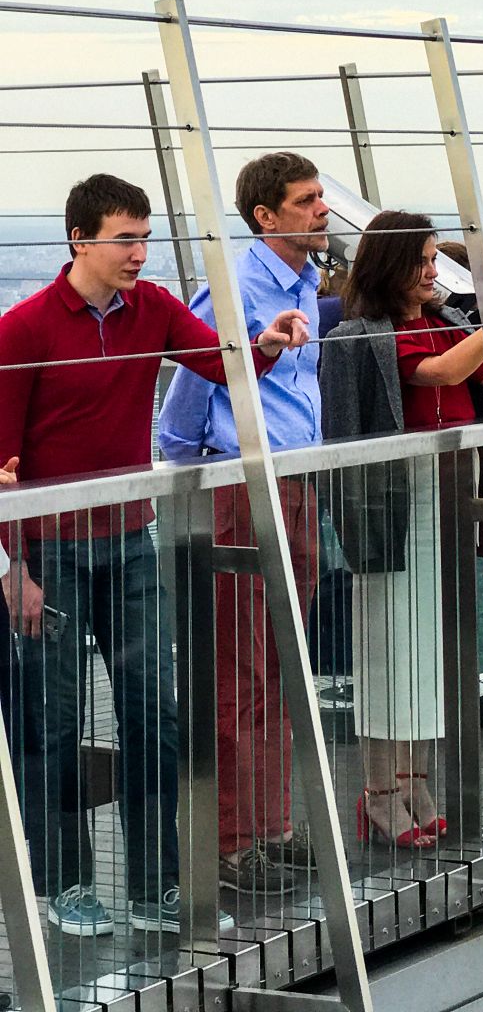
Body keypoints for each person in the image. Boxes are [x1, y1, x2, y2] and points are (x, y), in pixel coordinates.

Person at [0, 174, 306, 938]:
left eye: (145, 238)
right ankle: (63, 884)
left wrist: (264, 345)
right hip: (50, 552)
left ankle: (154, 886)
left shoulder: (156, 309)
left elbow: (222, 368)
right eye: (125, 239)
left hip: (130, 541)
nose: (140, 252)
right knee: (53, 723)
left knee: (155, 715)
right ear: (80, 239)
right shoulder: (24, 330)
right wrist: (15, 573)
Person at [320, 213, 483, 848]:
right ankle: (381, 789)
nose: (430, 270)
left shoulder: (439, 323)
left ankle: (412, 780)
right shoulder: (370, 334)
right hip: (400, 496)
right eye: (420, 259)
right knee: (393, 642)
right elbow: (443, 373)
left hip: (448, 485)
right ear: (390, 264)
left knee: (432, 644)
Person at [155, 152, 328, 898]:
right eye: (308, 200)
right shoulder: (229, 296)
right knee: (239, 668)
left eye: (322, 197)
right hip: (239, 488)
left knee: (282, 662)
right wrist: (209, 484)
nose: (323, 210)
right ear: (266, 217)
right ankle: (231, 841)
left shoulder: (309, 289)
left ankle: (272, 828)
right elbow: (180, 417)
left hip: (295, 485)